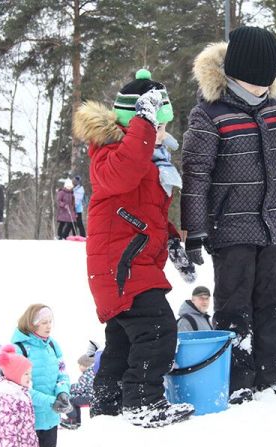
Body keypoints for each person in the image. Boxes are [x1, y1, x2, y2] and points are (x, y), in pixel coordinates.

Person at [180, 26, 276, 404]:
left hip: (271, 225)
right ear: (239, 72)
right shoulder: (210, 114)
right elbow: (195, 174)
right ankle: (238, 377)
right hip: (230, 227)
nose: (265, 88)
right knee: (234, 306)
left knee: (274, 302)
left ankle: (271, 373)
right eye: (258, 80)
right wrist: (195, 230)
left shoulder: (273, 108)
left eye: (269, 81)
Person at [72, 68, 194, 427]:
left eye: (163, 125)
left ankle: (107, 405)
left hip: (130, 264)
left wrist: (173, 240)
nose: (163, 133)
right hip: (121, 265)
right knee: (157, 330)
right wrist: (144, 120)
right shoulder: (109, 153)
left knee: (123, 341)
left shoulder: (151, 161)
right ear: (136, 121)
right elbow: (124, 173)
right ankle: (143, 402)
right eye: (158, 124)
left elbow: (149, 214)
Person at [10, 304, 71, 447]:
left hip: (51, 418)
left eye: (50, 321)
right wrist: (51, 402)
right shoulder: (19, 349)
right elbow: (19, 390)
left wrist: (63, 393)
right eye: (44, 322)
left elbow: (62, 374)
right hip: (29, 421)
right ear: (32, 324)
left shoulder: (53, 346)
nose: (49, 326)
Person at [0, 344, 38, 447]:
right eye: (26, 374)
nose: (30, 377)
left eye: (30, 373)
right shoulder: (7, 400)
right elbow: (7, 434)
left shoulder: (21, 393)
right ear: (15, 374)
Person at [60, 346, 97, 430]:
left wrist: (68, 388)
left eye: (80, 365)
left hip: (89, 397)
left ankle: (72, 420)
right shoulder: (92, 373)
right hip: (91, 396)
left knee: (70, 399)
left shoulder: (86, 375)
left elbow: (80, 388)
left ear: (86, 365)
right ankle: (76, 421)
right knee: (75, 400)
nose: (79, 367)